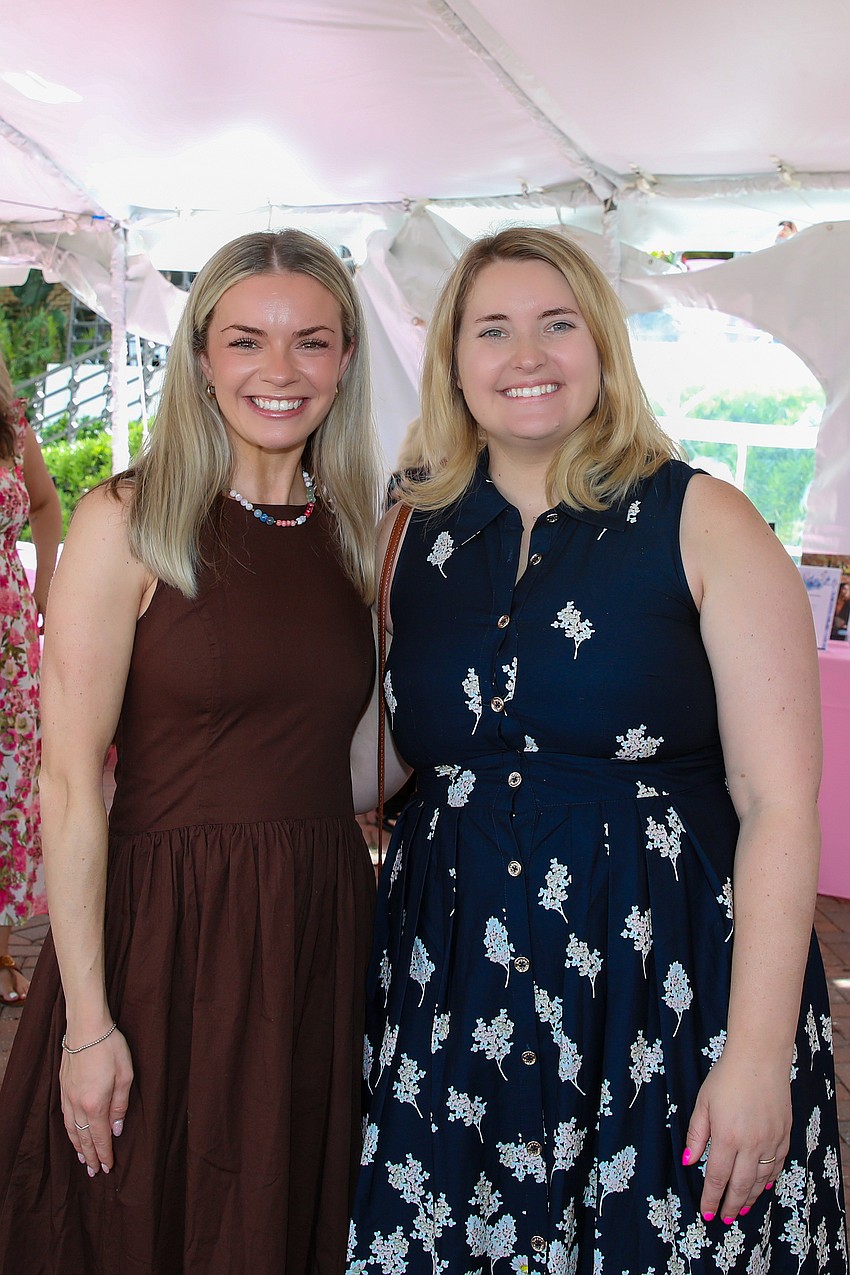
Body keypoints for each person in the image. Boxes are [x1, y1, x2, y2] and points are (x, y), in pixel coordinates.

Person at [347, 228, 847, 1272]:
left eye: (555, 324)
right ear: (453, 360)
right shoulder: (410, 531)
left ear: (603, 346)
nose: (525, 355)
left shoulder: (702, 518)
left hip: (665, 984)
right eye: (493, 329)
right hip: (458, 983)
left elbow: (779, 804)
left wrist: (754, 1055)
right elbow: (388, 757)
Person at [0, 229, 382, 1274]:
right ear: (202, 357)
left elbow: (351, 761)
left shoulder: (356, 535)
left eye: (311, 341)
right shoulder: (127, 521)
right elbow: (71, 785)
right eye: (246, 340)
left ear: (346, 358)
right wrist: (86, 1023)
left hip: (316, 928)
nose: (279, 370)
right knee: (146, 1221)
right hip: (166, 938)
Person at [0, 350, 61, 1004]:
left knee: (10, 783)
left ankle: (2, 950)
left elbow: (44, 504)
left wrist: (44, 582)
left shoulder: (11, 423)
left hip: (9, 633)